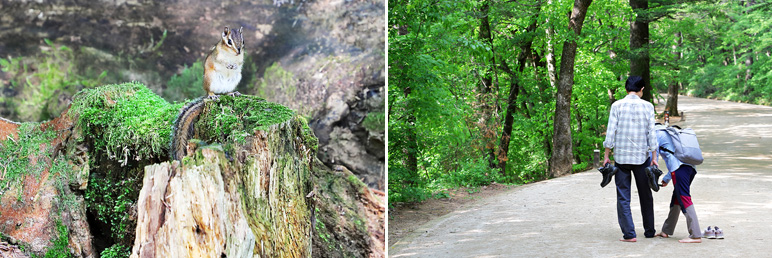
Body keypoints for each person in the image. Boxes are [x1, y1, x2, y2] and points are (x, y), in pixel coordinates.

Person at [602, 75, 658, 242]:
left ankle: (629, 234)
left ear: (626, 89)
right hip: (642, 157)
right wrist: (654, 156)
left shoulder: (616, 105)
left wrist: (606, 155)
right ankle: (649, 231)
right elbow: (652, 133)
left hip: (621, 158)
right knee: (645, 194)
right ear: (641, 89)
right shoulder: (648, 106)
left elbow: (610, 131)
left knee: (623, 196)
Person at [653, 124, 703, 243]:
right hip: (691, 168)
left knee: (684, 197)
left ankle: (695, 235)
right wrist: (667, 178)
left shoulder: (656, 134)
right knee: (677, 198)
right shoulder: (672, 134)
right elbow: (675, 157)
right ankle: (666, 230)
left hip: (679, 170)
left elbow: (652, 156)